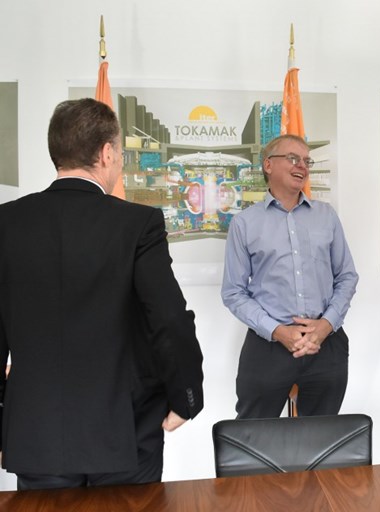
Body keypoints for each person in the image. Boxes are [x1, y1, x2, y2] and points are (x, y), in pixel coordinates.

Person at [0, 98, 204, 490]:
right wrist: (186, 397)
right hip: (124, 431)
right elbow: (169, 318)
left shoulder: (6, 224)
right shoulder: (138, 222)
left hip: (36, 433)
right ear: (107, 153)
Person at [222, 134, 358, 419]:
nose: (303, 166)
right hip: (269, 346)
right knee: (254, 440)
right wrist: (277, 331)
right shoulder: (244, 223)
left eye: (306, 161)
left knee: (322, 441)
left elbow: (346, 276)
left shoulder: (326, 216)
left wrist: (326, 325)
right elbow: (233, 292)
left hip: (325, 344)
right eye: (293, 159)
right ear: (268, 165)